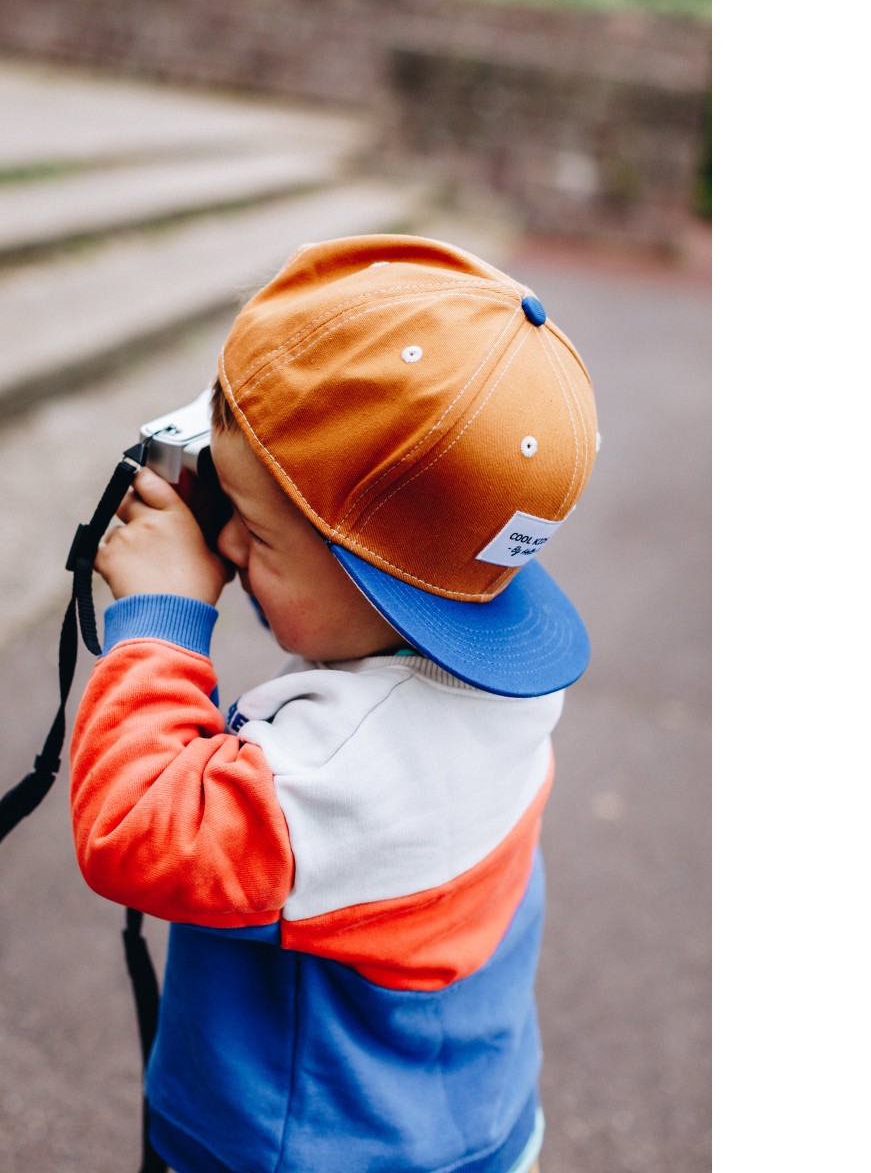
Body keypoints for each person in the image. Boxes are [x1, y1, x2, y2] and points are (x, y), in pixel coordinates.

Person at [69, 234, 599, 1173]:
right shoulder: (504, 681)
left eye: (256, 531)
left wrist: (161, 619)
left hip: (297, 1150)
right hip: (469, 1120)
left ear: (382, 586)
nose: (224, 543)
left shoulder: (341, 764)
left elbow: (140, 828)